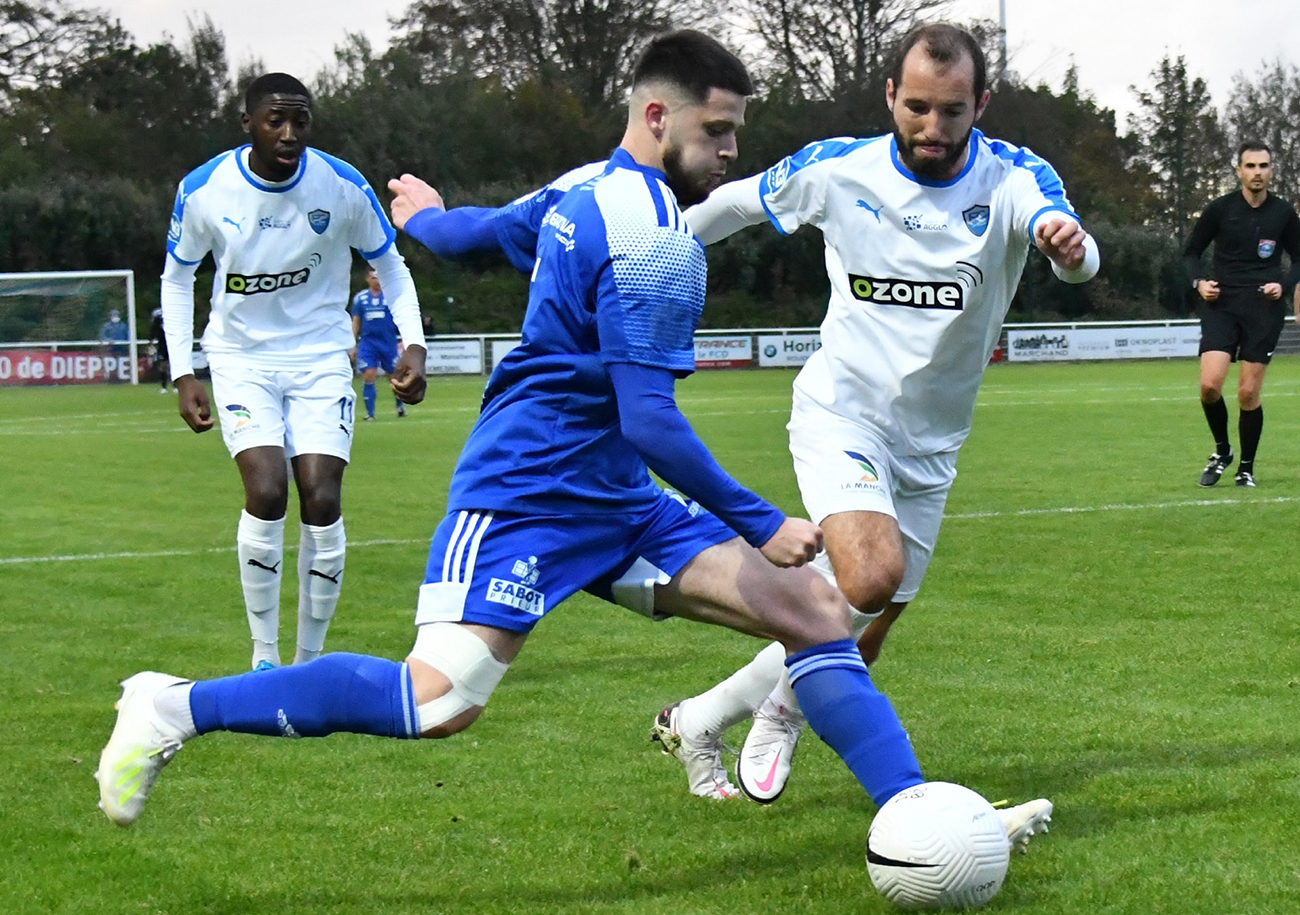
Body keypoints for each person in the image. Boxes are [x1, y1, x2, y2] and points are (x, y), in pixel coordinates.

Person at [97, 32, 1045, 851]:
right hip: (526, 492)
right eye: (717, 131)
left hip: (619, 497)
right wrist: (758, 519)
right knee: (438, 704)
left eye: (736, 132)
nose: (732, 150)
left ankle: (916, 813)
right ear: (659, 115)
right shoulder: (654, 242)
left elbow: (483, 235)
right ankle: (172, 706)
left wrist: (423, 218)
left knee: (816, 616)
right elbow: (650, 419)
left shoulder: (586, 186)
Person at [644, 21, 1097, 809]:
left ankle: (700, 717)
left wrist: (1068, 246)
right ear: (891, 94)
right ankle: (782, 715)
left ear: (980, 104)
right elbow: (727, 208)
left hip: (933, 444)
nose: (932, 127)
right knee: (868, 575)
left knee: (865, 630)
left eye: (952, 111)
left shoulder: (1015, 179)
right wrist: (634, 254)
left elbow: (1078, 256)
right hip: (842, 413)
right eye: (917, 106)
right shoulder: (839, 168)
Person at [158, 72, 428, 671]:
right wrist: (184, 372)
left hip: (320, 358)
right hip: (240, 358)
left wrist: (415, 345)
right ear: (248, 123)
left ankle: (308, 662)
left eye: (299, 121)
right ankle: (264, 657)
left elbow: (391, 262)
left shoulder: (341, 185)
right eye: (274, 120)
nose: (288, 132)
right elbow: (178, 277)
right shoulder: (205, 189)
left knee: (321, 496)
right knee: (266, 490)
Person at [1184, 141, 1300, 489]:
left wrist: (1283, 284)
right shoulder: (1220, 209)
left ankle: (1245, 468)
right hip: (1221, 304)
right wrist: (1199, 282)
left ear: (1271, 171)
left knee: (1248, 393)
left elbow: (1299, 259)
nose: (1257, 173)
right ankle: (1222, 451)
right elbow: (1191, 253)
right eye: (1250, 166)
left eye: (1263, 166)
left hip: (1263, 309)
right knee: (1209, 386)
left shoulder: (1283, 214)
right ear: (1239, 171)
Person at [350, 268, 410, 420]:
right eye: (373, 278)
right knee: (369, 374)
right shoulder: (360, 298)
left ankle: (400, 406)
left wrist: (405, 337)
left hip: (388, 342)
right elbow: (356, 321)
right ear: (367, 279)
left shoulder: (389, 297)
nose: (376, 280)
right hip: (368, 343)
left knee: (394, 376)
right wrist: (352, 343)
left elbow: (400, 316)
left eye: (378, 277)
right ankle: (370, 414)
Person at [147, 307, 172, 394]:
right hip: (163, 346)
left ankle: (175, 386)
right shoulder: (157, 324)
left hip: (171, 345)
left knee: (169, 366)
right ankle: (164, 386)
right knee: (164, 366)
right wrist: (151, 342)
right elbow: (152, 333)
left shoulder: (169, 322)